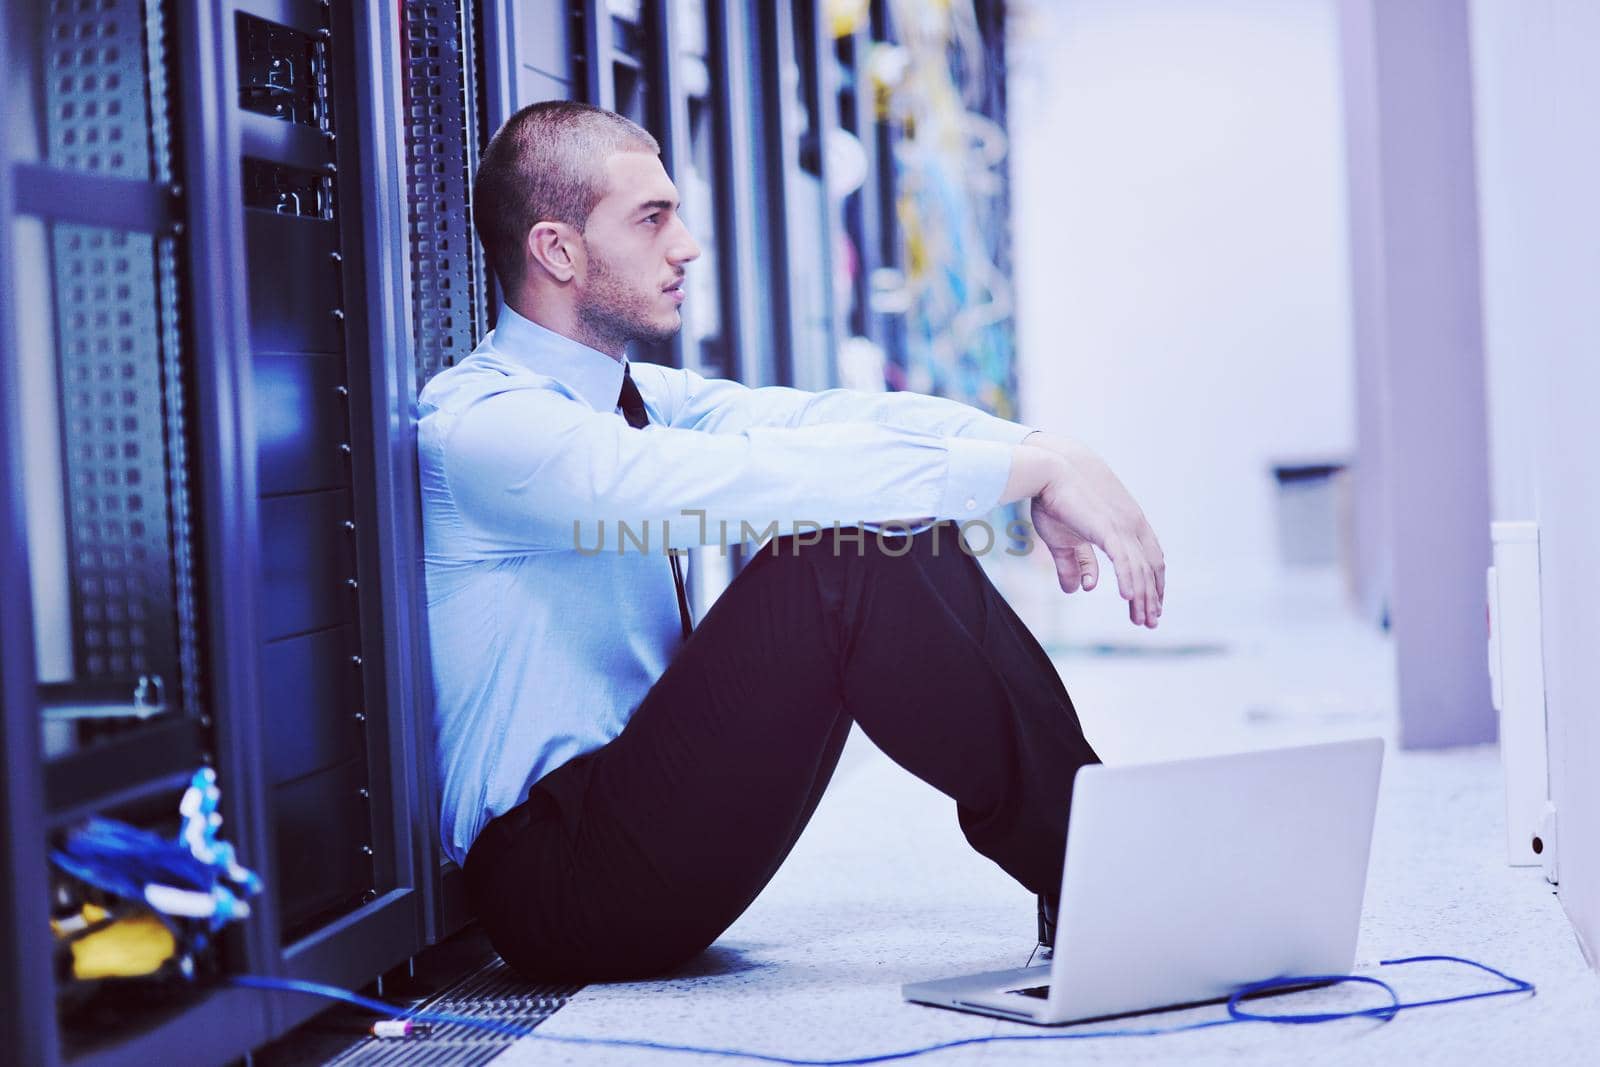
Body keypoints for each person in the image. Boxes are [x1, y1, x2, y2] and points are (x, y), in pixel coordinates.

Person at [418, 101, 1165, 982]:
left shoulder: (643, 396)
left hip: (648, 814)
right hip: (559, 881)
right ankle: (1113, 881)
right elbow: (749, 481)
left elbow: (825, 419)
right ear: (557, 250)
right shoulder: (483, 428)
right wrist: (1023, 476)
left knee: (886, 525)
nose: (686, 245)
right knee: (838, 564)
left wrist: (1041, 450)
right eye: (652, 220)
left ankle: (1104, 859)